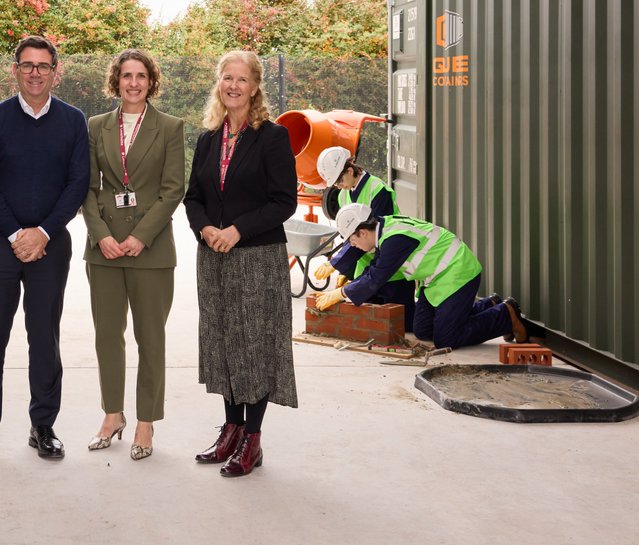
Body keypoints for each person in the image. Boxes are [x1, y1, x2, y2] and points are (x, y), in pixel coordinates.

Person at [0, 35, 89, 467]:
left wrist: (43, 233)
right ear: (15, 70)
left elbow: (78, 184)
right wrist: (18, 233)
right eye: (27, 65)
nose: (35, 72)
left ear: (56, 71)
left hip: (50, 246)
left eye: (43, 65)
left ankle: (43, 426)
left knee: (44, 339)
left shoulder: (74, 121)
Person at [183, 50, 299, 478]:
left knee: (254, 347)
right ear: (219, 84)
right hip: (213, 257)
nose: (233, 85)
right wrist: (206, 229)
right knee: (223, 343)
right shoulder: (209, 138)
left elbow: (283, 201)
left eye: (242, 79)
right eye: (226, 78)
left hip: (257, 257)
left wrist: (236, 230)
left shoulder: (272, 137)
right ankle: (230, 429)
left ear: (255, 87)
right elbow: (193, 195)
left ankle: (252, 440)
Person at [82, 49, 184, 461]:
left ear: (151, 81)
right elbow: (86, 188)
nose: (134, 83)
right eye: (127, 75)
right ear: (116, 81)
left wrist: (141, 236)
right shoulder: (95, 126)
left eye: (142, 76)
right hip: (104, 248)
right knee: (107, 337)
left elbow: (173, 189)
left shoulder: (170, 127)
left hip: (151, 248)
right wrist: (102, 235)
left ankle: (146, 422)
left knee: (150, 338)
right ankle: (112, 415)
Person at [314, 204, 528, 348]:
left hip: (457, 273)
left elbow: (377, 278)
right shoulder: (384, 229)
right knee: (423, 330)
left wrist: (341, 293)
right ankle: (490, 305)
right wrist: (349, 283)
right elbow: (374, 270)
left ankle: (504, 315)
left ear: (362, 232)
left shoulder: (393, 240)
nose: (354, 246)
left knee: (446, 338)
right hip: (436, 279)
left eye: (352, 241)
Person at [312, 145, 416, 329]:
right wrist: (348, 271)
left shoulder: (378, 190)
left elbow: (373, 235)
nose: (339, 186)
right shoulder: (344, 195)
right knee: (373, 324)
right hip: (367, 271)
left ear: (350, 170)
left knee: (405, 326)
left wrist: (336, 263)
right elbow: (350, 236)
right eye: (335, 184)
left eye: (340, 180)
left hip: (390, 269)